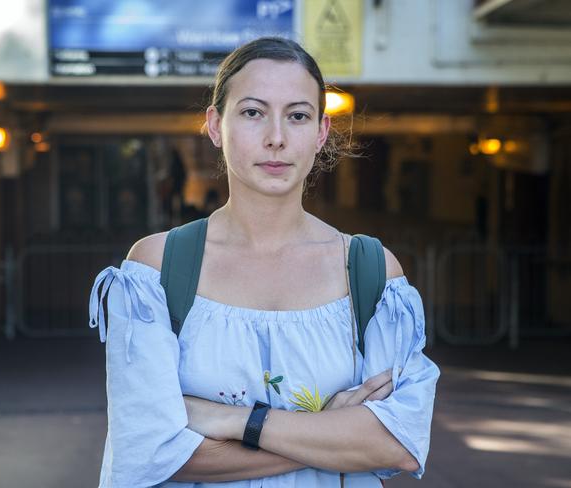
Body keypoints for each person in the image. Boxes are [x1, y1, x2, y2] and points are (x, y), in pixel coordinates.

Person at [89, 37, 439, 487]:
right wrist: (329, 435)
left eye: (297, 116)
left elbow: (399, 444)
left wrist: (236, 421)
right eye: (253, 112)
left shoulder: (370, 270)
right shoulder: (157, 269)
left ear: (320, 133)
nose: (276, 137)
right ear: (216, 125)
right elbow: (149, 452)